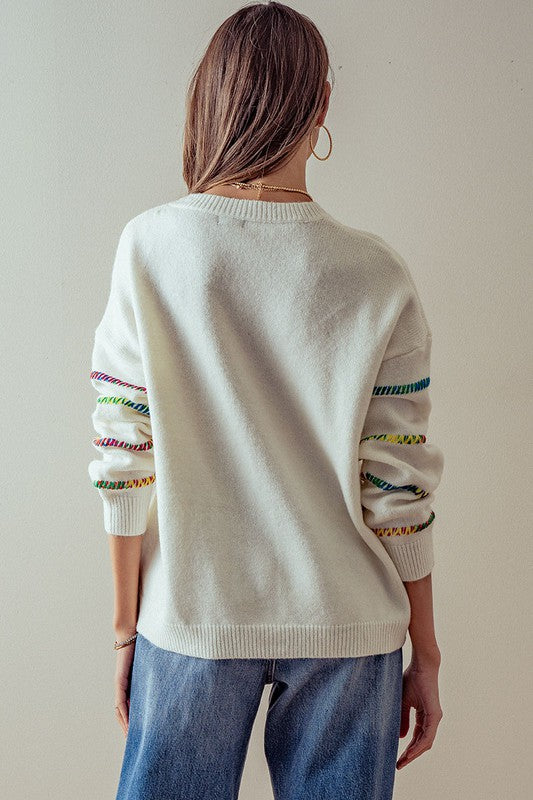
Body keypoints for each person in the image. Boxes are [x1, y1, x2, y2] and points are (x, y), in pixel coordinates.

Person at [88, 2, 444, 798]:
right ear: (321, 104)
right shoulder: (375, 272)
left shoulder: (151, 245)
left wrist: (124, 631)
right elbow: (397, 484)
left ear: (209, 98)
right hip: (350, 624)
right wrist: (425, 650)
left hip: (191, 615)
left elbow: (121, 456)